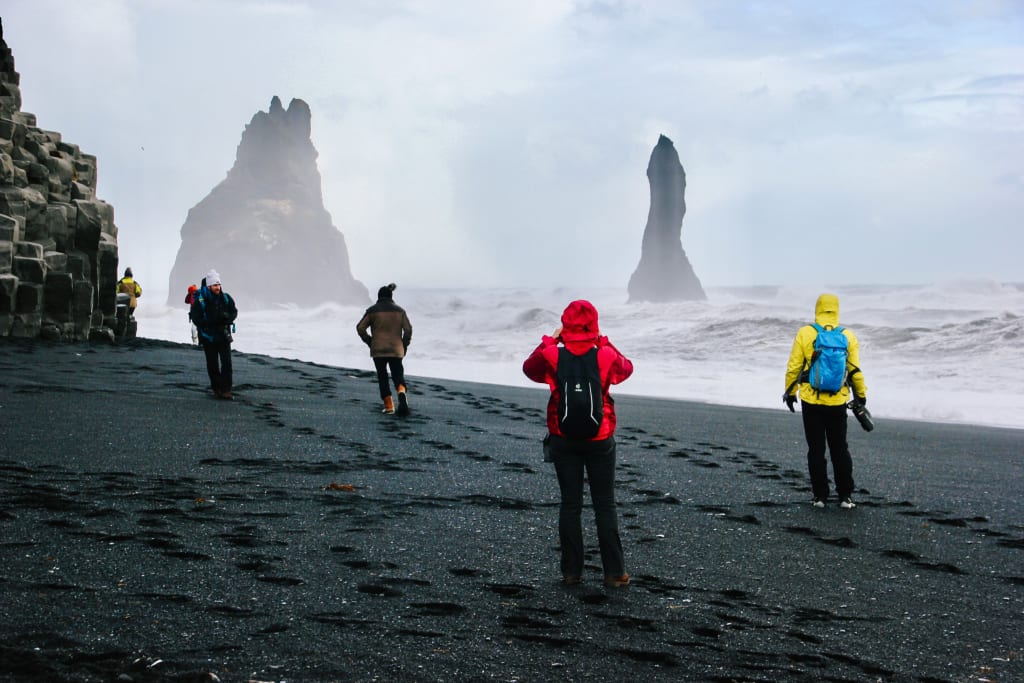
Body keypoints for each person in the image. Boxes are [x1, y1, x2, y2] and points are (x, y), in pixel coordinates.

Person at [522, 300, 634, 587]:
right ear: (594, 323)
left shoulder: (553, 353)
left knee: (571, 505)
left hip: (564, 437)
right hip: (600, 438)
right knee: (605, 505)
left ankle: (572, 572)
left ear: (565, 323)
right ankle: (615, 573)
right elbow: (626, 370)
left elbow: (529, 369)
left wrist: (551, 339)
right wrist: (603, 340)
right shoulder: (605, 353)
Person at [783, 293, 868, 509]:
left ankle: (819, 496)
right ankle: (845, 497)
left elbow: (794, 366)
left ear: (817, 308)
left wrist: (790, 392)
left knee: (816, 449)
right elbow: (854, 370)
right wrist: (861, 395)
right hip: (838, 401)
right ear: (836, 309)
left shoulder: (805, 333)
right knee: (840, 448)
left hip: (811, 400)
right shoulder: (847, 336)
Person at [356, 283, 413, 415]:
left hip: (378, 350)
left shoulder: (372, 311)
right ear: (391, 296)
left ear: (379, 296)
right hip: (396, 350)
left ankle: (389, 406)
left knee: (382, 377)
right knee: (398, 375)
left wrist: (370, 341)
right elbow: (408, 330)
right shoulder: (400, 311)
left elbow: (360, 328)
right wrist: (404, 345)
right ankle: (401, 393)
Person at [190, 270, 238, 400]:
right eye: (215, 285)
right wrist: (209, 322)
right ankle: (217, 389)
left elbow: (234, 312)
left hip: (223, 335)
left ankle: (226, 390)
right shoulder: (200, 300)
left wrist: (227, 317)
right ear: (209, 286)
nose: (218, 287)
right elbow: (195, 317)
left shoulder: (226, 298)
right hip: (208, 336)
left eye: (219, 284)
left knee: (227, 363)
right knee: (212, 365)